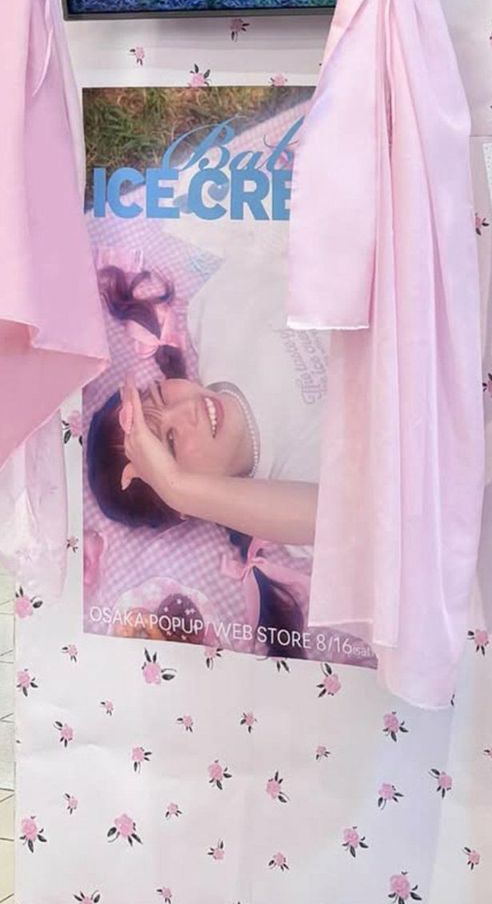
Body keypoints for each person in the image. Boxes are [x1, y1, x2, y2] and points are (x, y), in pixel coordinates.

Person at [86, 255, 326, 656]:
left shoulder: (216, 314)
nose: (188, 410)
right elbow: (348, 514)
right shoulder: (293, 509)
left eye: (160, 396)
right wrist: (177, 488)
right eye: (170, 442)